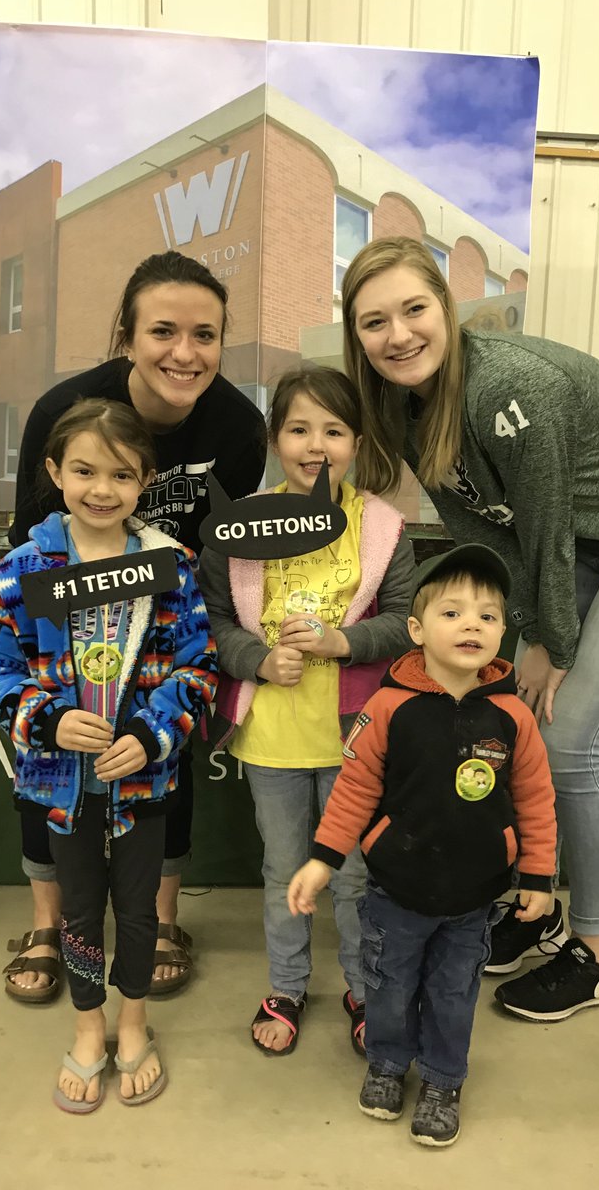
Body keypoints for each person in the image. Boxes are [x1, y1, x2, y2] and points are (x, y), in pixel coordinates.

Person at [340, 236, 599, 1023]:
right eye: (374, 321)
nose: (398, 335)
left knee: (571, 741)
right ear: (356, 336)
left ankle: (598, 954)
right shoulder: (400, 401)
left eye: (414, 310)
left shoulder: (510, 387)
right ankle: (537, 911)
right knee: (515, 717)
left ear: (446, 311)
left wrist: (551, 638)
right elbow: (484, 529)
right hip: (586, 539)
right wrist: (524, 627)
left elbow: (545, 529)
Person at [5, 251, 266, 1003]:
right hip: (68, 638)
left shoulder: (239, 426)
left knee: (166, 762)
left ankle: (161, 918)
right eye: (163, 330)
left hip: (164, 634)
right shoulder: (66, 410)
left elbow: (230, 550)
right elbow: (31, 547)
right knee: (49, 763)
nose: (184, 353)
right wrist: (61, 683)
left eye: (205, 335)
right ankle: (49, 924)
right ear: (126, 334)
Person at [0, 399, 217, 1112]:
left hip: (142, 786)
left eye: (121, 474)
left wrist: (150, 734)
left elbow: (197, 668)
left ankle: (134, 1023)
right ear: (54, 472)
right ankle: (88, 1028)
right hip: (60, 786)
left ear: (146, 482)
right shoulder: (21, 571)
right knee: (79, 912)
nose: (101, 489)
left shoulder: (169, 566)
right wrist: (44, 718)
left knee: (138, 912)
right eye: (83, 470)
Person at [288, 544, 556, 1147]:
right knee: (385, 985)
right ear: (416, 630)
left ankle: (442, 1079)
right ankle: (387, 1062)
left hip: (474, 898)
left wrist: (537, 877)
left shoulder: (514, 717)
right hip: (395, 893)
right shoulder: (387, 708)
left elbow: (537, 802)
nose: (472, 625)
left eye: (488, 616)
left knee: (453, 993)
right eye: (453, 612)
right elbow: (354, 791)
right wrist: (322, 859)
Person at [198, 365, 415, 1057]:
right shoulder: (236, 527)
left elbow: (410, 620)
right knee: (284, 868)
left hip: (356, 739)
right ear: (274, 437)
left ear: (357, 439)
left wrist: (342, 641)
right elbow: (215, 620)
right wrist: (256, 660)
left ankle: (360, 986)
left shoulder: (381, 525)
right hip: (272, 739)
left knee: (352, 873)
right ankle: (287, 985)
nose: (314, 444)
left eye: (333, 429)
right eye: (298, 428)